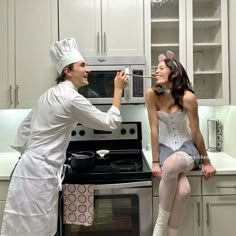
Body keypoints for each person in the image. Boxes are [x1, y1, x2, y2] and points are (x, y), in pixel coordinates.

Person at [0, 37, 128, 236]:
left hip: (25, 171)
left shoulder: (47, 95)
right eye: (83, 65)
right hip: (41, 177)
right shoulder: (71, 98)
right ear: (67, 71)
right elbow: (110, 122)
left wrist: (32, 156)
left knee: (18, 229)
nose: (89, 70)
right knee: (38, 231)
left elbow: (24, 130)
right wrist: (118, 89)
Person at [145, 51, 216, 236]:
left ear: (174, 73)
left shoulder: (188, 98)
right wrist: (154, 161)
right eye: (155, 69)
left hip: (187, 147)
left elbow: (196, 133)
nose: (155, 72)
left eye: (161, 68)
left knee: (171, 165)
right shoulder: (151, 95)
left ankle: (159, 227)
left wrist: (206, 161)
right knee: (183, 191)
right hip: (165, 148)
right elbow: (154, 130)